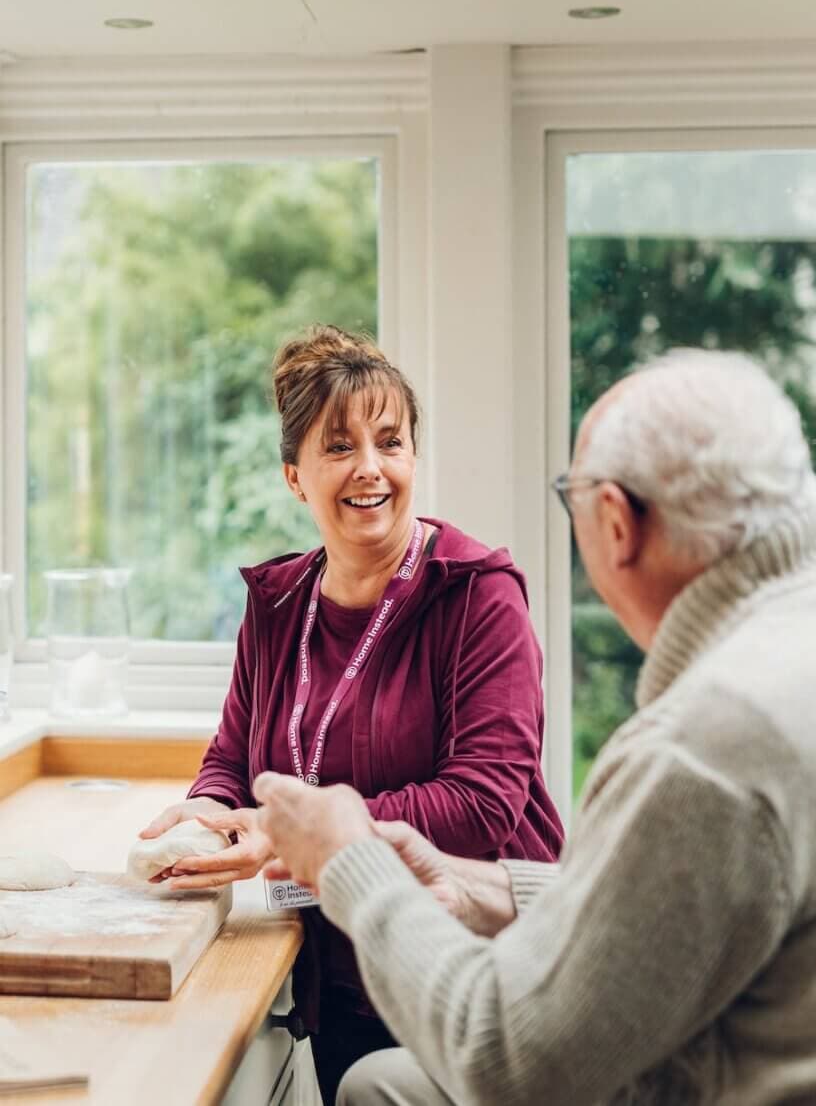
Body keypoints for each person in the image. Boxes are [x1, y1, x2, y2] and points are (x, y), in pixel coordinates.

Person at [252, 348, 816, 1106]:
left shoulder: (710, 745)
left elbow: (505, 1058)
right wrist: (491, 888)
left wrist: (353, 865)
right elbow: (705, 900)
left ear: (614, 521)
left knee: (376, 1090)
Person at [137, 326, 564, 1103]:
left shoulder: (478, 594)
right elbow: (236, 757)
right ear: (296, 477)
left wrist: (301, 839)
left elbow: (482, 806)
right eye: (340, 446)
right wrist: (208, 812)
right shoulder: (278, 603)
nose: (371, 468)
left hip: (472, 967)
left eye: (390, 442)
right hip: (334, 976)